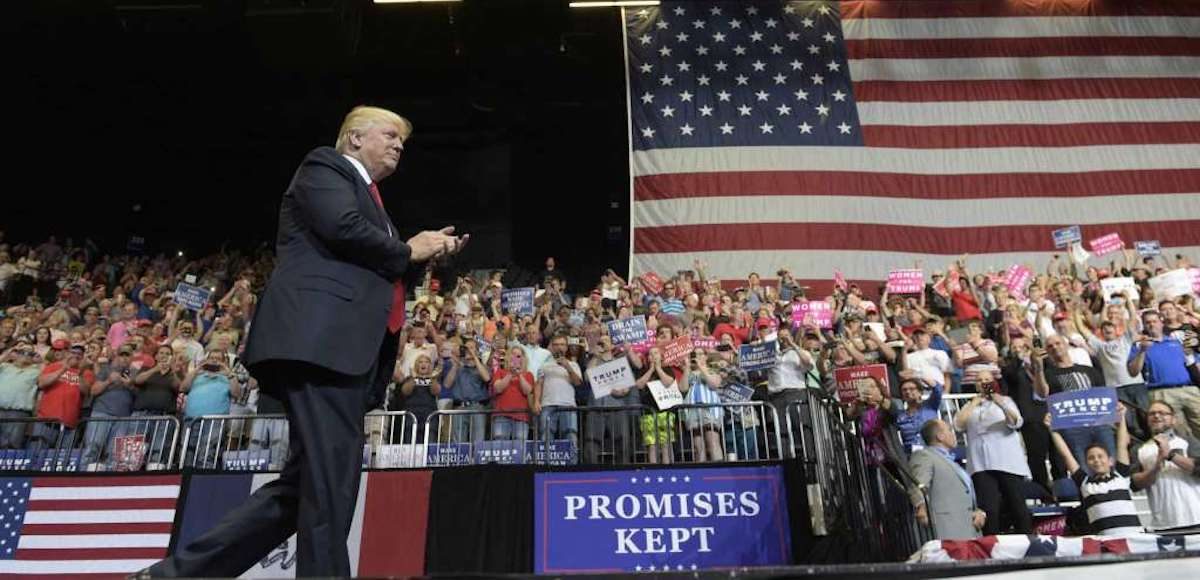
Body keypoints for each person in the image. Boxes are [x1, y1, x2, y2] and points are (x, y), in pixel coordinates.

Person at [144, 106, 465, 577]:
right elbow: (343, 230)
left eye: (403, 140)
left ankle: (174, 575)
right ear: (354, 138)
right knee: (332, 484)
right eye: (391, 135)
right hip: (323, 347)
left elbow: (382, 262)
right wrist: (406, 248)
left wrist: (422, 251)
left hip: (346, 355)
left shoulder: (379, 209)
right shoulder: (325, 166)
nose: (399, 145)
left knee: (305, 487)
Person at [954, 373, 1033, 535]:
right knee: (988, 508)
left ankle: (1027, 540)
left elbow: (1016, 422)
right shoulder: (969, 406)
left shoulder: (1006, 401)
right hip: (980, 463)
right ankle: (991, 544)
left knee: (1016, 504)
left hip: (1007, 461)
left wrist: (1000, 402)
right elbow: (958, 425)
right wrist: (974, 402)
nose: (983, 383)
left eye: (987, 380)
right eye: (979, 380)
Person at [1047, 403, 1141, 536]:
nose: (1096, 460)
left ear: (1110, 460)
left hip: (1134, 538)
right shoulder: (1084, 483)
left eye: (1100, 456)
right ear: (1087, 463)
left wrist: (1121, 418)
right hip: (1104, 542)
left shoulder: (1122, 476)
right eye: (1091, 458)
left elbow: (1122, 445)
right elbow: (1066, 454)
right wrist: (1052, 430)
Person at [909, 420, 986, 540]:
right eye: (949, 430)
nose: (953, 433)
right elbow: (918, 484)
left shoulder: (952, 462)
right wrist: (920, 506)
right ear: (940, 436)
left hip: (969, 530)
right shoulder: (925, 456)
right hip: (947, 531)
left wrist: (978, 512)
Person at [1131, 401, 1200, 532]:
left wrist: (1171, 456)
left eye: (1163, 413)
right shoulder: (1139, 449)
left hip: (1196, 518)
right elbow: (1136, 484)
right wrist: (1157, 464)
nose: (1156, 416)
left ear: (1174, 420)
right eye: (1152, 414)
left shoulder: (1188, 441)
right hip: (1163, 525)